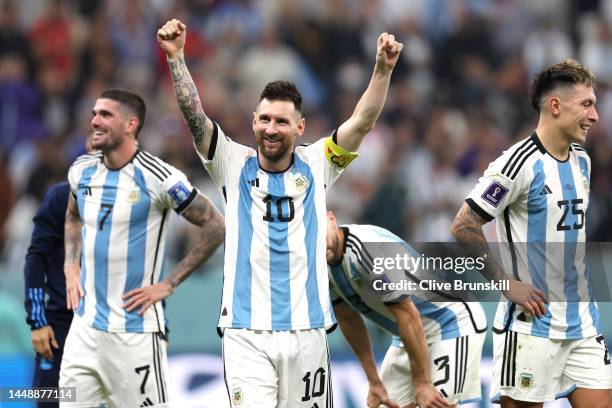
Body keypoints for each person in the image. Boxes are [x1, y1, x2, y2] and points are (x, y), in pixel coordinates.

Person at [158, 18, 402, 407]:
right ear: (254, 121)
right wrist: (176, 59)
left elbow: (362, 122)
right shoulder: (231, 164)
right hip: (246, 332)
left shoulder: (318, 164)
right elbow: (195, 118)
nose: (271, 129)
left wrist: (382, 71)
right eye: (265, 119)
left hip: (308, 332)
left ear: (300, 127)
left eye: (282, 122)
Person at [451, 59, 612, 407]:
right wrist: (505, 283)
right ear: (555, 106)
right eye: (587, 104)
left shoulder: (582, 159)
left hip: (583, 323)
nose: (595, 115)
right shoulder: (518, 163)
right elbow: (464, 225)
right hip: (531, 326)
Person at [60, 88, 225, 408]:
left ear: (130, 124)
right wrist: (71, 262)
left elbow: (216, 226)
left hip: (135, 335)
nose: (94, 120)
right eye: (94, 113)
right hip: (84, 331)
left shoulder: (159, 177)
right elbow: (72, 217)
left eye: (105, 115)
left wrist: (169, 283)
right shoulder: (81, 170)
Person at [326, 211, 487, 408]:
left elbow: (408, 314)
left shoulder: (368, 248)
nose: (319, 243)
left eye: (320, 232)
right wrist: (374, 381)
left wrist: (423, 383)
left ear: (331, 218)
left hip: (451, 320)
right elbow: (349, 320)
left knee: (434, 404)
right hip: (409, 335)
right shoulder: (320, 266)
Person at [24, 181, 72, 408]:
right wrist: (38, 322)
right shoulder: (62, 195)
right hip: (60, 326)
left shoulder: (128, 198)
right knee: (51, 400)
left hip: (109, 326)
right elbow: (36, 256)